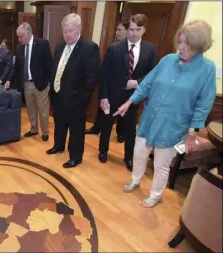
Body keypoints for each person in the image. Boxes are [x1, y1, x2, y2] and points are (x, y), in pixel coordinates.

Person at [114, 19, 216, 208]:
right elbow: (147, 83)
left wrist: (192, 132)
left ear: (200, 46)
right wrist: (129, 101)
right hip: (149, 119)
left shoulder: (207, 69)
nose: (182, 48)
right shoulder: (168, 60)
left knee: (161, 163)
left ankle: (156, 194)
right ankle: (136, 179)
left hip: (173, 125)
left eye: (188, 44)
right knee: (139, 153)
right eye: (180, 42)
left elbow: (204, 103)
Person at [98, 14, 157, 171]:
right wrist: (103, 96)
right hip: (112, 95)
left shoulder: (150, 50)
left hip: (133, 98)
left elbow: (152, 75)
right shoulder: (114, 48)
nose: (133, 33)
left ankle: (128, 158)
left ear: (144, 30)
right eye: (131, 29)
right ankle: (103, 151)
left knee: (130, 130)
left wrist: (137, 82)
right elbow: (104, 74)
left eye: (138, 30)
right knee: (106, 126)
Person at [46, 13, 101, 168]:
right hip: (58, 96)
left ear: (79, 29)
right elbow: (55, 70)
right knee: (59, 124)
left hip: (77, 100)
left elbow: (92, 78)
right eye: (64, 31)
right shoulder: (59, 47)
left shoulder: (89, 48)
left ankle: (75, 157)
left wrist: (82, 100)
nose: (67, 35)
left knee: (76, 130)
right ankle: (58, 145)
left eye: (70, 31)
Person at [86, 20, 129, 143]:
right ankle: (96, 128)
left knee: (122, 113)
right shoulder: (114, 47)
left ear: (127, 31)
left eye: (120, 30)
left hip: (125, 89)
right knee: (103, 110)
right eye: (116, 30)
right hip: (109, 87)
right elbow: (106, 69)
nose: (116, 32)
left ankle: (121, 133)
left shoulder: (134, 51)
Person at [14, 23, 53, 142]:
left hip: (41, 84)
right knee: (30, 110)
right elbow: (18, 68)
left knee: (43, 111)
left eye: (20, 37)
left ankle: (45, 132)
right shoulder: (19, 48)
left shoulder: (42, 44)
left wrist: (48, 82)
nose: (19, 39)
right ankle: (34, 129)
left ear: (28, 33)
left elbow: (49, 65)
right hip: (27, 84)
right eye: (18, 37)